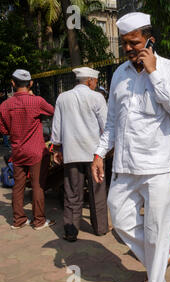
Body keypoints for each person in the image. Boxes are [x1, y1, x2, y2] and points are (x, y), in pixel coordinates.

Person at [90, 12, 170, 282]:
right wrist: (98, 153)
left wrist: (154, 72)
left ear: (149, 39)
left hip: (158, 165)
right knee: (118, 216)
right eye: (125, 44)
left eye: (134, 42)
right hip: (126, 164)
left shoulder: (169, 69)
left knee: (157, 228)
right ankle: (157, 258)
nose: (129, 48)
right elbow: (111, 123)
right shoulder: (119, 74)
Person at [51, 67, 109, 242]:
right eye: (96, 82)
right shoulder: (97, 97)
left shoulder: (63, 97)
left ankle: (71, 230)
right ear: (90, 81)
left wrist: (56, 147)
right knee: (97, 191)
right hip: (94, 154)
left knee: (72, 193)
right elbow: (106, 125)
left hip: (72, 152)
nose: (96, 84)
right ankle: (100, 228)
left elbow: (57, 126)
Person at [0, 69, 55, 230]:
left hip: (17, 151)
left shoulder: (4, 105)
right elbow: (52, 111)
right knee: (38, 185)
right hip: (36, 151)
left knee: (18, 186)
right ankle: (38, 221)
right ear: (30, 83)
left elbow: (3, 131)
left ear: (12, 83)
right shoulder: (36, 101)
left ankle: (19, 220)